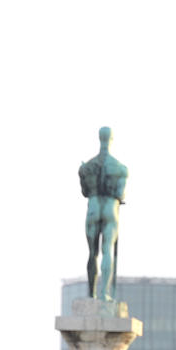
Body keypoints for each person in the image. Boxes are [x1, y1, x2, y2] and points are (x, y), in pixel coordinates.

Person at [78, 127, 128, 301]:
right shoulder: (120, 168)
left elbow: (85, 192)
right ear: (111, 139)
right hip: (110, 208)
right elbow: (121, 194)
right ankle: (104, 294)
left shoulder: (87, 167)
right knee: (107, 250)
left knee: (92, 253)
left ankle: (91, 293)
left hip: (93, 206)